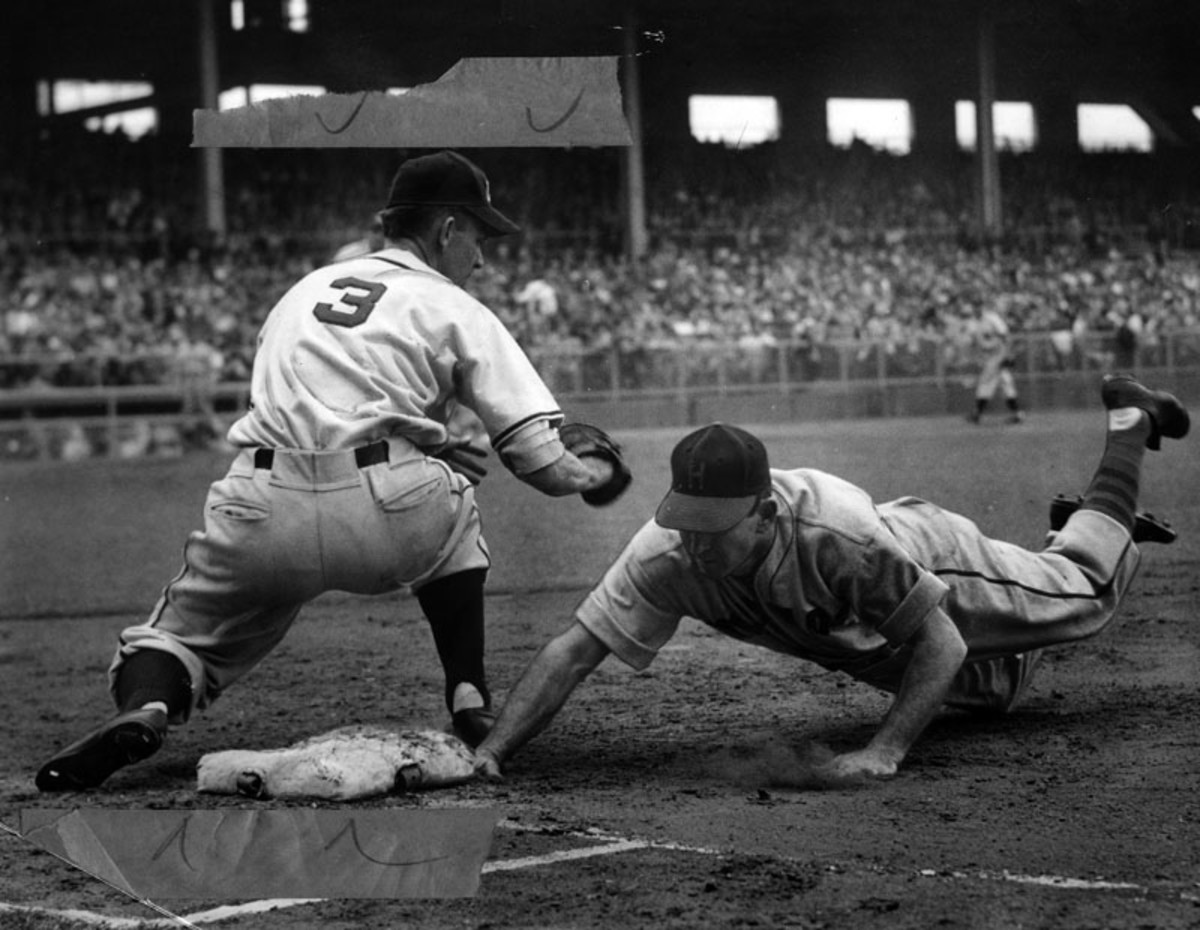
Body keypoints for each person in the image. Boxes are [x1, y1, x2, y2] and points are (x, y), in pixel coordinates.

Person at [36, 150, 630, 792]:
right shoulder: (454, 305)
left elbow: (307, 415)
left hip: (261, 507)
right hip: (392, 514)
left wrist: (410, 442)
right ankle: (468, 695)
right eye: (479, 237)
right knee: (457, 512)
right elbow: (536, 459)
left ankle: (146, 708)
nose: (482, 259)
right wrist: (594, 473)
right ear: (447, 231)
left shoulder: (301, 292)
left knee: (176, 635)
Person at [473, 375, 1189, 783]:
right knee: (1001, 694)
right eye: (685, 520)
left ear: (764, 511)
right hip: (859, 625)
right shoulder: (667, 554)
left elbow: (941, 641)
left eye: (712, 526)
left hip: (933, 563)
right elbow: (574, 649)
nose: (694, 543)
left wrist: (884, 752)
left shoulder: (836, 533)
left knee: (1086, 591)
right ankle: (1081, 521)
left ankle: (1127, 424)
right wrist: (493, 753)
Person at [966, 305, 1024, 425]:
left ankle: (978, 414)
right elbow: (977, 342)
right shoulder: (977, 322)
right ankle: (1017, 414)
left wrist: (1008, 354)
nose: (976, 310)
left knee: (989, 385)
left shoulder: (991, 319)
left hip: (998, 356)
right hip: (992, 358)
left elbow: (1004, 336)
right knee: (1001, 386)